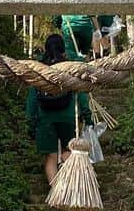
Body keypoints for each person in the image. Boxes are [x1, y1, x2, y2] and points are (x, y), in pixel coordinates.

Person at [26, 33, 92, 185]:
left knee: (51, 157)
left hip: (45, 119)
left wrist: (30, 121)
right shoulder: (69, 68)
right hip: (68, 117)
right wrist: (87, 117)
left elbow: (32, 98)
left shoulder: (40, 69)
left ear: (45, 49)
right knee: (68, 152)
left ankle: (57, 192)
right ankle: (69, 189)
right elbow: (81, 95)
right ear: (63, 49)